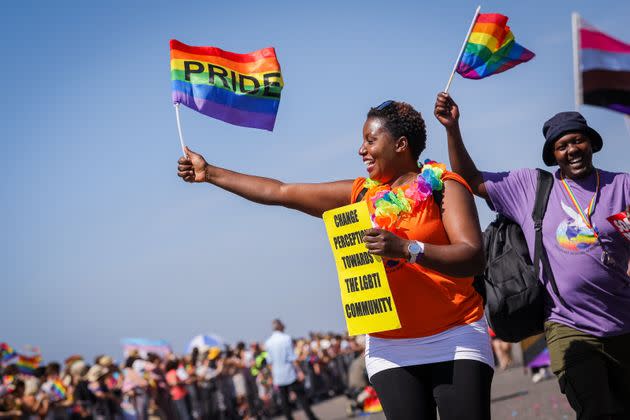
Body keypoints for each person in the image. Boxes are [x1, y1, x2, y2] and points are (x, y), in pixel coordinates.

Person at [177, 99, 494, 420]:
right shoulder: (359, 195)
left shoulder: (445, 186)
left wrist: (408, 249)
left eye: (371, 140)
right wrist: (211, 173)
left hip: (456, 336)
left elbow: (472, 256)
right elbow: (282, 192)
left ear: (401, 145)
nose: (361, 150)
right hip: (391, 349)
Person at [434, 92, 630, 419]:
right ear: (553, 155)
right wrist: (452, 129)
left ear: (591, 144)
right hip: (568, 325)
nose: (572, 150)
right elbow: (471, 179)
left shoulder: (621, 188)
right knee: (595, 411)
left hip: (624, 321)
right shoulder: (531, 187)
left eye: (577, 141)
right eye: (562, 146)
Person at [264, 319, 318, 420]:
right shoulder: (286, 338)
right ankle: (312, 417)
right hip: (289, 373)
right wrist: (299, 371)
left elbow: (269, 362)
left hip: (278, 375)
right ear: (280, 326)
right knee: (302, 397)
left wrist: (273, 376)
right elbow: (292, 358)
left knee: (285, 401)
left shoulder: (268, 342)